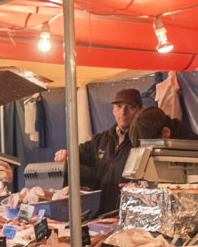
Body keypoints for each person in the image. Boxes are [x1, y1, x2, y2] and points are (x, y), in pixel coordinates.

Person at [55, 87, 141, 218]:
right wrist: (64, 154)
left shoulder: (142, 142)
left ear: (139, 111)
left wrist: (139, 184)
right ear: (113, 110)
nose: (123, 112)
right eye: (118, 106)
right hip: (97, 214)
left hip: (128, 214)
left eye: (130, 107)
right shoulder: (100, 140)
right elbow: (76, 154)